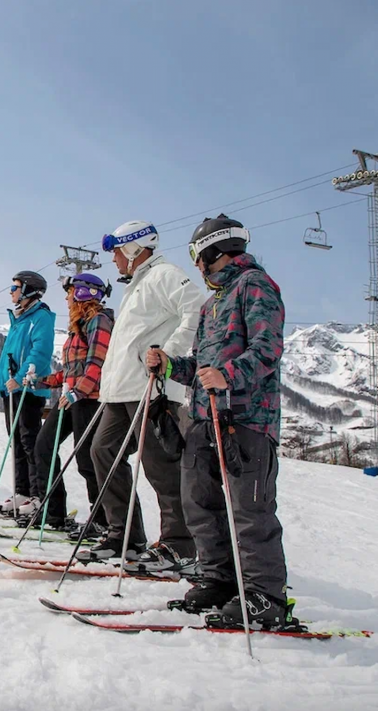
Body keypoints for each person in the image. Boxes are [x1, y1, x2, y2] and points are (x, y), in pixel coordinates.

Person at [146, 214, 288, 626]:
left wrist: (229, 375)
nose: (196, 265)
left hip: (247, 419)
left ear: (214, 250)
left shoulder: (255, 286)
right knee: (199, 502)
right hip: (205, 419)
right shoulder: (213, 304)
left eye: (197, 255)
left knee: (250, 509)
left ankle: (266, 598)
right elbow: (204, 367)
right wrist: (171, 366)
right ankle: (218, 581)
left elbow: (268, 348)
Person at [78, 219, 202, 566]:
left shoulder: (164, 274)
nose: (114, 260)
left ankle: (181, 542)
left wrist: (170, 353)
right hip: (121, 390)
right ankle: (125, 534)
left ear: (134, 249)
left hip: (153, 389)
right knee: (102, 451)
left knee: (159, 465)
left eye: (117, 252)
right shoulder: (137, 282)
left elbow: (196, 308)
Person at [24, 273, 113, 532]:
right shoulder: (78, 327)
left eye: (70, 292)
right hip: (72, 397)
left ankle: (103, 521)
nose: (66, 298)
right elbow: (71, 371)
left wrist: (79, 391)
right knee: (43, 446)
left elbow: (98, 363)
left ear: (84, 294)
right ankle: (53, 513)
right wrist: (41, 381)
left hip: (90, 400)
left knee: (87, 459)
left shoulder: (99, 321)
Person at [0, 271, 55, 514]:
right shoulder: (19, 319)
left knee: (29, 442)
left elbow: (39, 353)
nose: (11, 292)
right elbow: (7, 358)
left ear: (28, 290)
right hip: (10, 389)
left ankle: (36, 496)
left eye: (15, 287)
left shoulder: (40, 318)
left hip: (28, 391)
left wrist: (22, 379)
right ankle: (21, 491)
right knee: (17, 442)